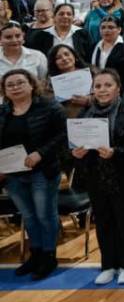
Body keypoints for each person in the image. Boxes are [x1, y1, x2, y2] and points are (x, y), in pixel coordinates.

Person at [72, 69, 124, 284]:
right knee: (102, 221)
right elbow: (71, 149)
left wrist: (115, 152)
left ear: (118, 87)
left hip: (119, 175)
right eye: (98, 86)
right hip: (94, 175)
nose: (102, 90)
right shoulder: (84, 115)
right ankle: (108, 264)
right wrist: (76, 153)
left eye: (107, 85)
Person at [0, 68, 66, 280]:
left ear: (31, 84)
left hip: (43, 171)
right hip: (12, 175)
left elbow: (63, 136)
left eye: (20, 82)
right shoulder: (2, 111)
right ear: (4, 90)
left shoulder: (50, 107)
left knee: (45, 216)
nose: (16, 87)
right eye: (10, 85)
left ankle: (49, 256)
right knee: (28, 216)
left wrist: (40, 153)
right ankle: (35, 254)